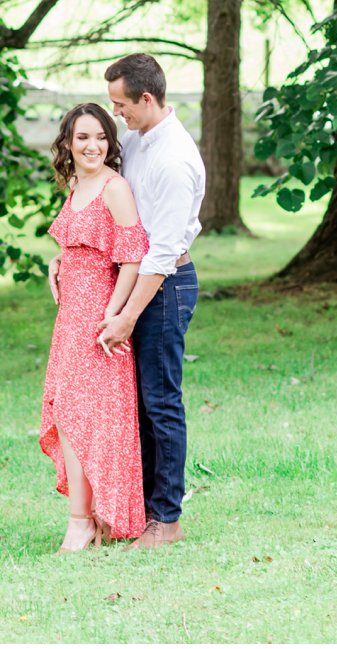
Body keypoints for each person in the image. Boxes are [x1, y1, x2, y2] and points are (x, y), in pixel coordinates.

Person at [96, 52, 207, 548]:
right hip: (142, 282)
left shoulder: (174, 159)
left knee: (161, 403)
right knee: (138, 404)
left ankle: (167, 520)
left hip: (164, 288)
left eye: (122, 105)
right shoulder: (140, 142)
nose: (117, 113)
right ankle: (138, 512)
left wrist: (125, 316)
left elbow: (160, 254)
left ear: (146, 98)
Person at [40, 102, 149, 550]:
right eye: (83, 137)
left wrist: (115, 315)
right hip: (69, 319)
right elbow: (82, 244)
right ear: (68, 142)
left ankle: (86, 520)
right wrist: (58, 260)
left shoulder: (114, 187)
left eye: (101, 136)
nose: (93, 145)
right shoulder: (74, 185)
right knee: (67, 414)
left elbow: (132, 256)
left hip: (98, 320)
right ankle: (85, 518)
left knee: (96, 420)